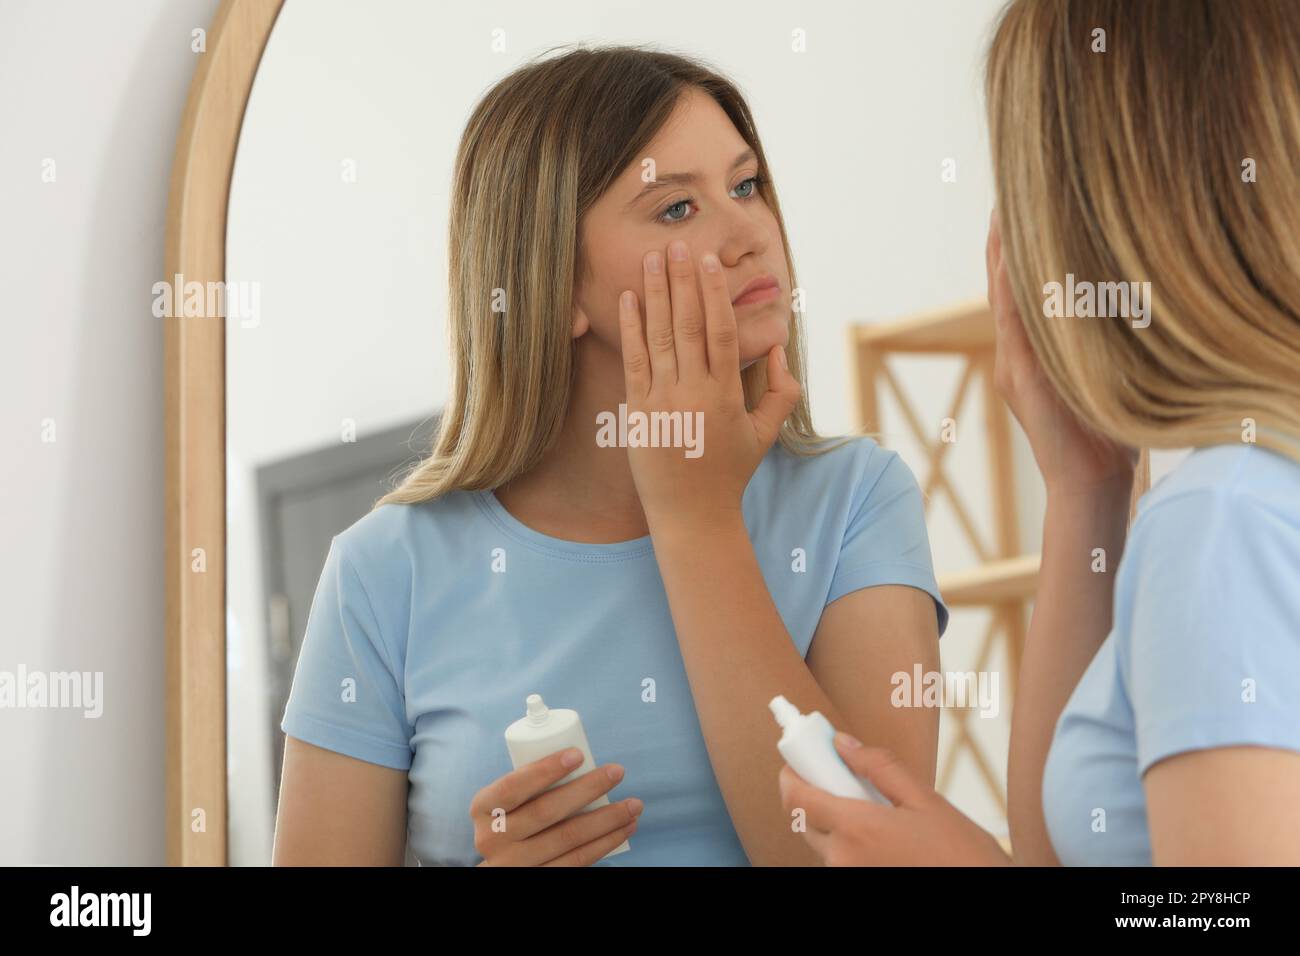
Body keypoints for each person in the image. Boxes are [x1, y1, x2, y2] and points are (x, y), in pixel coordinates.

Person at [273, 45, 949, 866]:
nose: (749, 233)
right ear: (551, 287)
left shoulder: (855, 502)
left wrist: (695, 518)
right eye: (676, 209)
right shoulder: (383, 573)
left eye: (745, 186)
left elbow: (874, 860)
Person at [780, 0, 1300, 866]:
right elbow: (1066, 849)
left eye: (1022, 181)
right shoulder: (1239, 496)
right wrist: (1082, 488)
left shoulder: (1219, 523)